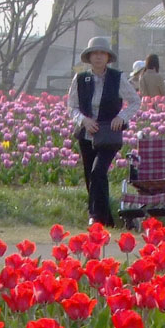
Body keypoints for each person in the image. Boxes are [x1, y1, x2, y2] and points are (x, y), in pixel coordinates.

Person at [66, 35, 138, 227]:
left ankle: (95, 216)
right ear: (89, 57)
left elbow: (135, 101)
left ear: (108, 57)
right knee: (91, 176)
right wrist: (84, 120)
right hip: (87, 134)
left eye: (102, 53)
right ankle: (106, 219)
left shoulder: (117, 78)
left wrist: (121, 117)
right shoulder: (81, 79)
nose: (98, 57)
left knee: (98, 171)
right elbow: (72, 106)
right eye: (94, 54)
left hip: (108, 134)